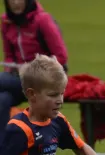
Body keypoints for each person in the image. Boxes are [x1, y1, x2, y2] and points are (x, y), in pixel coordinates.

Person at [1, 0, 67, 143]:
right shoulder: (6, 22)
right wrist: (11, 68)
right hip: (18, 80)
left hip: (46, 79)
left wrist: (34, 67)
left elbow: (61, 56)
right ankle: (2, 149)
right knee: (2, 99)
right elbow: (9, 56)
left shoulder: (42, 20)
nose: (15, 3)